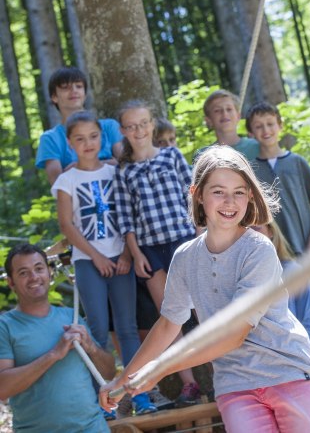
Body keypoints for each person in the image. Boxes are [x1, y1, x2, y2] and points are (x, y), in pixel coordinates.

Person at [100, 145, 310, 433]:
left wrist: (161, 368)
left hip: (287, 374)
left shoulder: (258, 250)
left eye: (239, 192)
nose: (229, 201)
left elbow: (233, 335)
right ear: (197, 194)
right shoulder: (184, 257)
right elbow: (168, 324)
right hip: (235, 386)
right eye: (218, 191)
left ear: (250, 196)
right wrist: (123, 380)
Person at [50, 110, 158, 418]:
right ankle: (105, 398)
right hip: (88, 263)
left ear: (103, 137)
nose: (88, 143)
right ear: (70, 143)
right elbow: (66, 225)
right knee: (97, 331)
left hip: (121, 260)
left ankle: (140, 395)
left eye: (94, 136)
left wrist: (126, 253)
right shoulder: (66, 180)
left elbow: (130, 214)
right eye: (80, 139)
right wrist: (96, 256)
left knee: (126, 328)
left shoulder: (115, 171)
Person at [114, 99, 201, 406]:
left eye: (143, 123)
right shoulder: (124, 171)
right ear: (123, 131)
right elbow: (125, 217)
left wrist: (201, 233)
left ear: (152, 125)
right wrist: (136, 254)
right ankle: (189, 383)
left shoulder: (172, 155)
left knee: (202, 305)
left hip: (184, 238)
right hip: (151, 250)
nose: (138, 131)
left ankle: (226, 366)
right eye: (131, 126)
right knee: (170, 315)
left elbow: (193, 194)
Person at [246, 101, 310, 354]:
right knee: (288, 304)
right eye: (258, 126)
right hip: (277, 252)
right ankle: (299, 353)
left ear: (280, 126)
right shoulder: (252, 170)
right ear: (250, 133)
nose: (265, 130)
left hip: (304, 245)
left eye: (270, 124)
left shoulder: (297, 162)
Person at [0, 243, 116, 432]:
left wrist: (91, 348)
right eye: (23, 272)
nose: (34, 277)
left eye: (39, 269)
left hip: (92, 428)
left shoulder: (72, 316)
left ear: (50, 273)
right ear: (11, 283)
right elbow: (2, 388)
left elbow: (109, 373)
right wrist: (54, 354)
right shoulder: (4, 326)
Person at [251, 220, 310, 411]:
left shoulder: (293, 271)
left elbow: (309, 322)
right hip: (266, 364)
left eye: (258, 227)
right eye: (246, 230)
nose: (253, 233)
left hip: (301, 357)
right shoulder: (246, 276)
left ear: (270, 231)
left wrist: (303, 358)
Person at [35, 66, 123, 185]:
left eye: (79, 86)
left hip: (119, 196)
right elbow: (57, 184)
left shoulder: (109, 126)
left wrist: (76, 167)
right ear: (54, 97)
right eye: (65, 87)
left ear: (85, 94)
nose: (74, 90)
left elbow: (126, 165)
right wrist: (108, 163)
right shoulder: (50, 138)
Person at [195, 89, 260, 161]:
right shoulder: (203, 156)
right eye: (217, 110)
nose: (224, 113)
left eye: (229, 109)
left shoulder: (256, 146)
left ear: (238, 116)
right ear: (208, 120)